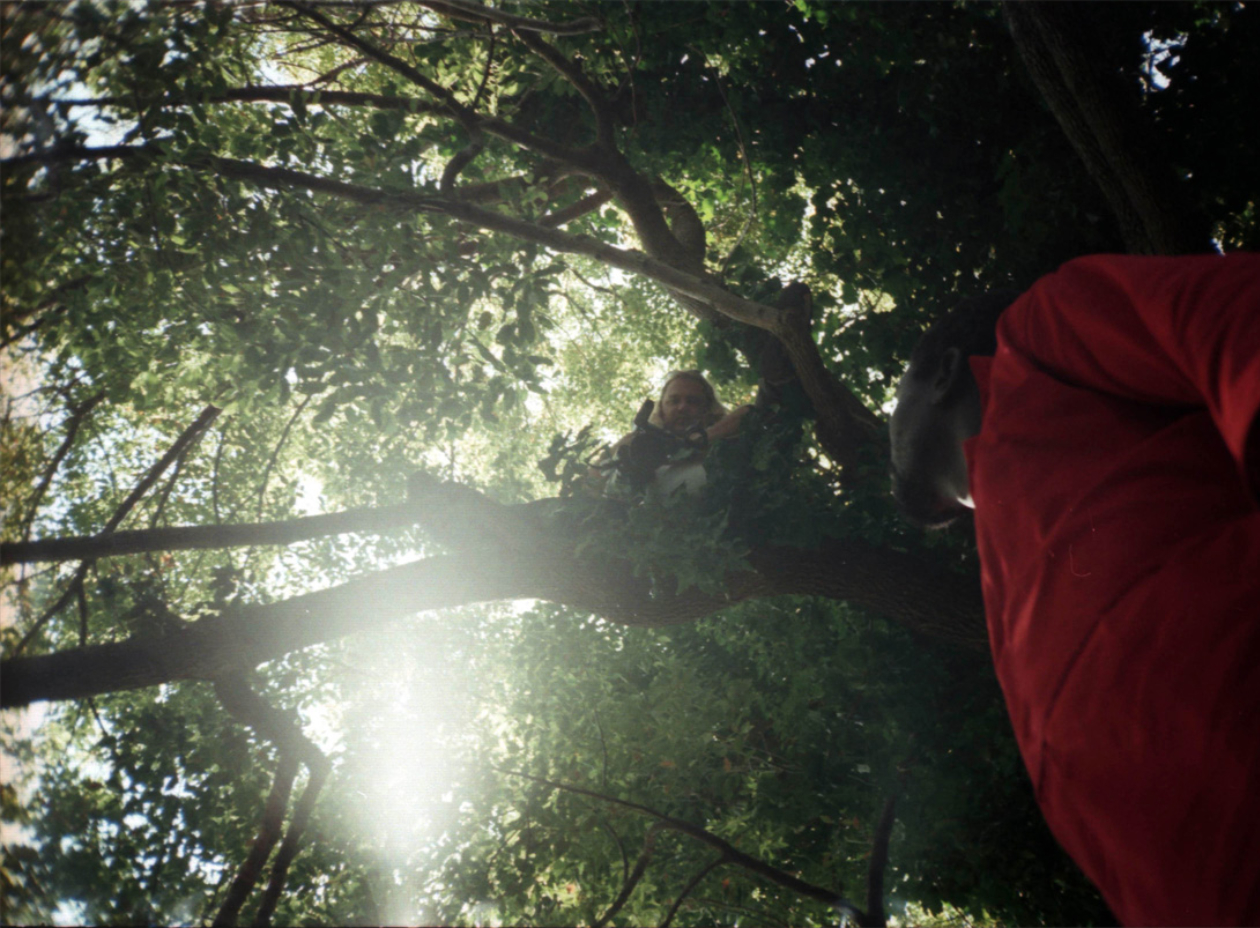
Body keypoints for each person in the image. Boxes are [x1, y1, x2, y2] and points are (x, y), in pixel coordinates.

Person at [889, 253, 1260, 926]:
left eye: (896, 391)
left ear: (943, 372)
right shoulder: (1003, 552)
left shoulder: (1037, 335)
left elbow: (1231, 316)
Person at [601, 369, 752, 495]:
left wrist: (696, 441)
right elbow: (591, 480)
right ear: (661, 407)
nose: (682, 408)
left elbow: (750, 412)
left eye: (692, 401)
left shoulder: (723, 442)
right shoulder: (637, 441)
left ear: (707, 408)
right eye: (674, 401)